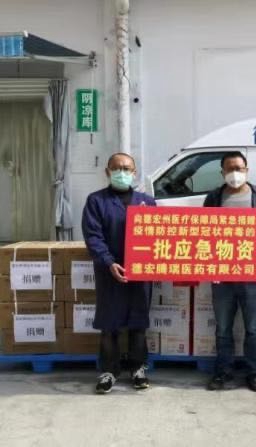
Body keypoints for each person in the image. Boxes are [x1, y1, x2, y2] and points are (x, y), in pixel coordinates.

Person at [203, 151, 256, 392]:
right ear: (222, 172)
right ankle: (222, 372)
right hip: (222, 275)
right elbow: (202, 230)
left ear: (247, 170)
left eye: (239, 168)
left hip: (252, 275)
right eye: (229, 168)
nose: (235, 173)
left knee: (253, 328)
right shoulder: (214, 198)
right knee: (223, 328)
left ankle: (254, 373)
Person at [82, 153, 156, 394]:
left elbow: (158, 237)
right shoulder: (96, 201)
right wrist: (109, 262)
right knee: (109, 324)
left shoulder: (147, 202)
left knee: (138, 323)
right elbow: (93, 236)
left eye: (126, 168)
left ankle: (138, 368)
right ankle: (109, 371)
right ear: (107, 171)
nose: (121, 172)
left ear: (134, 173)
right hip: (109, 272)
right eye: (116, 168)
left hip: (140, 272)